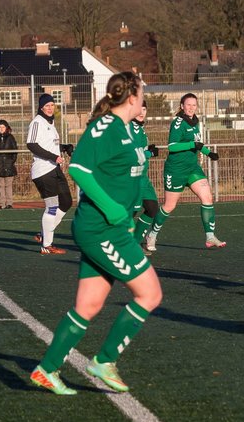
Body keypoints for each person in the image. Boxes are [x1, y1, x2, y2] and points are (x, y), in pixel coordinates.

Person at [30, 72, 163, 396]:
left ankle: (46, 370)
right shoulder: (105, 127)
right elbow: (79, 169)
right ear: (132, 95)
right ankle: (104, 361)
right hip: (100, 228)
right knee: (150, 294)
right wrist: (113, 210)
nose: (144, 97)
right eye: (142, 91)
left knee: (88, 306)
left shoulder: (130, 131)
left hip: (113, 228)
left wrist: (129, 216)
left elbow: (123, 178)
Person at [143, 93, 223, 251]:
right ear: (182, 106)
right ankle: (152, 235)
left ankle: (210, 236)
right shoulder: (178, 123)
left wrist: (209, 153)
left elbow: (197, 144)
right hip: (176, 170)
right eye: (188, 105)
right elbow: (172, 146)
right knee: (169, 206)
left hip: (192, 168)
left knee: (207, 197)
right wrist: (193, 145)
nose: (192, 108)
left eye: (194, 105)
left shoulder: (195, 122)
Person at [26, 93, 73, 255]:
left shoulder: (51, 123)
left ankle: (43, 234)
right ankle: (47, 245)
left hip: (54, 169)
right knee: (52, 206)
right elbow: (31, 145)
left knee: (66, 202)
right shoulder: (37, 122)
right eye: (47, 106)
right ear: (41, 107)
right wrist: (54, 157)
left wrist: (64, 147)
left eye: (52, 105)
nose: (50, 108)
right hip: (43, 171)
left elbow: (49, 145)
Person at [130, 100, 161, 251]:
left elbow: (139, 149)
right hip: (132, 178)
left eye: (144, 109)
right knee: (130, 213)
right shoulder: (128, 128)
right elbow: (129, 154)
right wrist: (149, 153)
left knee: (152, 208)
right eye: (138, 109)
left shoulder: (140, 129)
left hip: (143, 177)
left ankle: (134, 243)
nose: (141, 112)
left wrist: (148, 148)